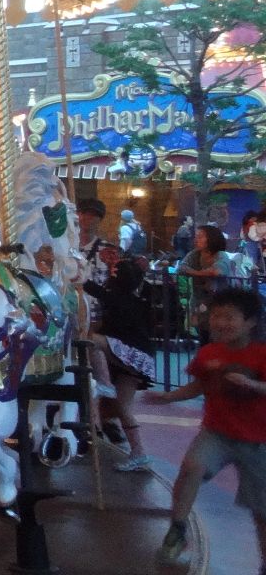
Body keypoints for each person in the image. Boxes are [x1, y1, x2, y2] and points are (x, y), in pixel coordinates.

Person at [148, 288, 266, 568]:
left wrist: (252, 385)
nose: (221, 322)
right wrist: (168, 397)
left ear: (250, 322)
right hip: (217, 433)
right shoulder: (209, 353)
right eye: (216, 316)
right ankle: (178, 530)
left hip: (258, 440)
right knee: (192, 467)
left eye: (229, 317)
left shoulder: (261, 354)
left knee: (261, 510)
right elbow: (199, 385)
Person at [85, 258, 158, 470]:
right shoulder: (134, 302)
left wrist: (76, 276)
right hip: (139, 359)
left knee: (91, 340)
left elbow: (94, 289)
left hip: (132, 354)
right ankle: (138, 452)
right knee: (122, 407)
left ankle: (104, 382)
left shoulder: (117, 298)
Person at [182, 225, 242, 341]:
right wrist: (202, 273)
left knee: (218, 334)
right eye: (196, 237)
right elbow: (182, 268)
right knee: (203, 333)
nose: (196, 240)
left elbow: (217, 271)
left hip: (219, 302)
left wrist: (195, 273)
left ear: (211, 239)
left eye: (200, 237)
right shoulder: (194, 254)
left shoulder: (221, 255)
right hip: (200, 301)